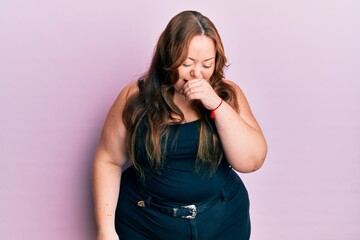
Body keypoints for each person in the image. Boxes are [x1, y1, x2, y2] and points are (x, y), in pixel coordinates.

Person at [92, 10, 267, 240]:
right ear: (168, 58)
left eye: (207, 64)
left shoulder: (228, 94)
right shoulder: (135, 98)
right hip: (146, 222)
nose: (197, 73)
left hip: (222, 220)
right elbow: (108, 159)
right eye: (187, 63)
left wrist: (216, 104)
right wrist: (106, 230)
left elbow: (251, 162)